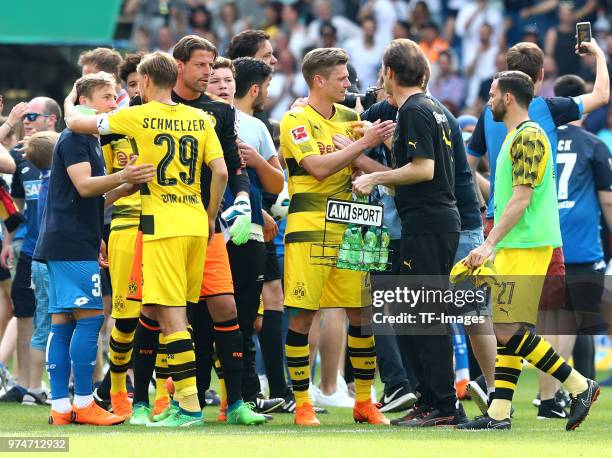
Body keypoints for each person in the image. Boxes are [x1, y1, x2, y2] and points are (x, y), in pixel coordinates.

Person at [64, 53, 228, 428]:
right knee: (179, 316)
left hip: (160, 224)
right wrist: (208, 213)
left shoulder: (136, 116)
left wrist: (71, 101)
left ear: (148, 80)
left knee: (168, 316)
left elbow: (76, 123)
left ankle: (188, 408)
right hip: (194, 222)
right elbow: (219, 171)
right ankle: (177, 403)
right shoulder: (201, 118)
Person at [466, 39, 610, 413]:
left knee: (510, 328)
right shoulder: (523, 131)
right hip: (517, 236)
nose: (488, 100)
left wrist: (488, 242)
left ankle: (578, 386)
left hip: (525, 239)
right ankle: (500, 413)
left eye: (494, 93)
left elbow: (521, 197)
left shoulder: (529, 135)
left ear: (510, 97)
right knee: (510, 328)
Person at [352, 38, 467, 428]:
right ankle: (428, 398)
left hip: (430, 223)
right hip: (430, 221)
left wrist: (375, 176)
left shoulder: (416, 110)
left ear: (388, 72)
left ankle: (443, 405)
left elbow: (423, 170)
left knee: (423, 315)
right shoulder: (430, 108)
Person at [280, 47, 395, 426]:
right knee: (303, 315)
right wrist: (363, 144)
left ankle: (364, 401)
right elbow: (315, 168)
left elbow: (379, 169)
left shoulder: (354, 117)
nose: (349, 82)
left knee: (362, 315)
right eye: (342, 77)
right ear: (319, 80)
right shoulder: (295, 119)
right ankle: (302, 405)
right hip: (311, 227)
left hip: (358, 226)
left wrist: (369, 148)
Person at [167, 35, 277, 424]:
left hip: (216, 226)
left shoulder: (222, 115)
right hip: (168, 225)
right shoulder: (153, 108)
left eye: (213, 68)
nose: (211, 76)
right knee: (174, 317)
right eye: (203, 67)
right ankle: (179, 401)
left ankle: (240, 400)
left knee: (236, 312)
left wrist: (245, 200)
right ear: (179, 66)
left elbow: (234, 168)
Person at [38, 71, 155, 426]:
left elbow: (92, 197)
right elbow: (85, 185)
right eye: (107, 96)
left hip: (71, 239)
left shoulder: (87, 140)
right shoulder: (76, 137)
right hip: (70, 243)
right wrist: (122, 177)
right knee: (90, 321)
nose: (114, 102)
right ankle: (85, 402)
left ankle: (61, 408)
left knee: (63, 322)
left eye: (115, 95)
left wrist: (125, 186)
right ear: (85, 101)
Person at [207, 56, 286, 414]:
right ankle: (193, 394)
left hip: (248, 230)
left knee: (244, 317)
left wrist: (256, 161)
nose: (223, 86)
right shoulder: (192, 121)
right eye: (215, 80)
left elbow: (276, 182)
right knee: (203, 315)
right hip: (206, 231)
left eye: (227, 80)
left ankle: (241, 396)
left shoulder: (254, 126)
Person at [0, 97, 61, 405]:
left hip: (62, 249)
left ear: (51, 120)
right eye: (23, 115)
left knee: (71, 314)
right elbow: (18, 204)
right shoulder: (18, 157)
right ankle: (26, 384)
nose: (26, 119)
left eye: (32, 114)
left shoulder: (65, 151)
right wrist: (10, 241)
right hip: (29, 249)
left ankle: (76, 383)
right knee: (24, 312)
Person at [20, 131, 58, 407]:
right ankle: (41, 387)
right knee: (57, 324)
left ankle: (33, 388)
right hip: (52, 260)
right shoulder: (58, 182)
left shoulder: (43, 181)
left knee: (41, 325)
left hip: (36, 258)